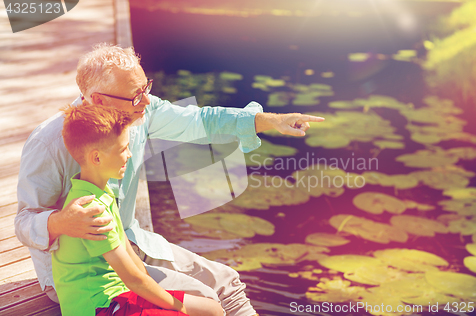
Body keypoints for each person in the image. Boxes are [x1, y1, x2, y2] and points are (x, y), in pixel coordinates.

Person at [15, 43, 324, 316]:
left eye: (145, 88)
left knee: (228, 284)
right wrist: (61, 222)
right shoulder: (49, 143)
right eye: (135, 96)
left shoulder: (139, 111)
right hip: (84, 277)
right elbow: (24, 221)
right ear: (97, 100)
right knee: (204, 300)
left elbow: (202, 121)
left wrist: (270, 121)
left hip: (129, 241)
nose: (146, 102)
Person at [54, 103, 224, 316]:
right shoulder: (92, 210)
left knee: (213, 310)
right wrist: (179, 308)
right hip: (100, 307)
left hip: (119, 296)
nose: (129, 155)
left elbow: (131, 257)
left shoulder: (102, 191)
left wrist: (163, 297)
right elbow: (133, 279)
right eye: (123, 149)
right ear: (97, 158)